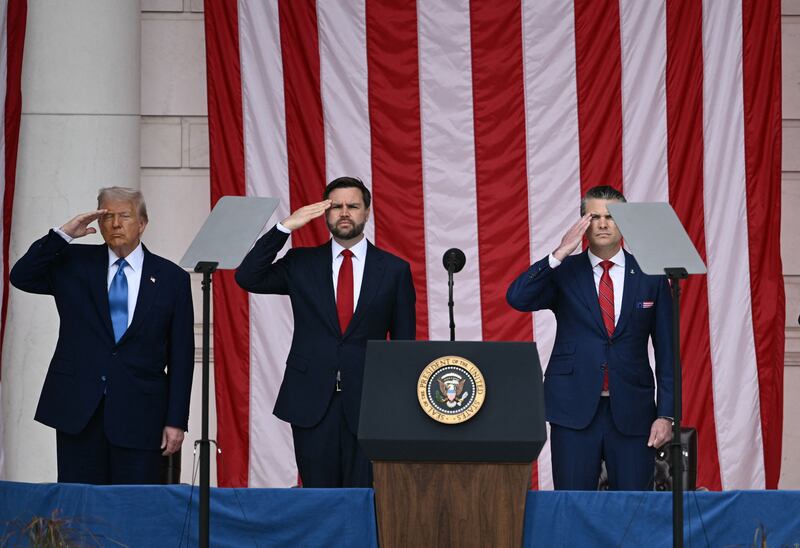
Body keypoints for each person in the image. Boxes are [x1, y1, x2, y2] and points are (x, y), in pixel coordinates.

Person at [236, 176, 416, 488]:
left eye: (353, 206)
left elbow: (404, 347)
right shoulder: (301, 262)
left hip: (369, 405)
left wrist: (397, 407)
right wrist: (285, 227)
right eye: (336, 207)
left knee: (364, 499)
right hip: (310, 401)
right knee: (319, 500)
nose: (344, 212)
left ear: (367, 212)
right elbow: (248, 276)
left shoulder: (394, 270)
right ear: (325, 213)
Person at [10, 187, 194, 484]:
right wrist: (63, 234)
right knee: (79, 511)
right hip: (79, 411)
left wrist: (175, 420)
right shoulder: (73, 262)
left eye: (125, 216)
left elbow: (181, 356)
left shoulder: (172, 279)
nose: (116, 224)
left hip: (141, 415)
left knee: (133, 509)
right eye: (107, 216)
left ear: (143, 223)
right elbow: (21, 276)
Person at [506, 185, 673, 490]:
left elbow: (668, 353)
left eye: (611, 216)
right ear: (583, 222)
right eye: (594, 216)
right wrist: (558, 253)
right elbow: (517, 298)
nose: (603, 223)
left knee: (632, 510)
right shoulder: (565, 272)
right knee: (573, 507)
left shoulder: (652, 275)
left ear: (626, 222)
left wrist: (667, 415)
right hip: (573, 409)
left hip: (633, 412)